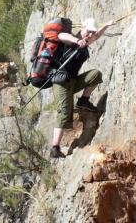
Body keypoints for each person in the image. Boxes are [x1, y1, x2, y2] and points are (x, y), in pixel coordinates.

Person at [49, 17, 117, 158]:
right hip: (61, 82)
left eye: (92, 32)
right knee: (64, 112)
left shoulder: (87, 41)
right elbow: (61, 35)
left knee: (95, 75)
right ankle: (55, 148)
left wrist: (106, 24)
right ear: (82, 28)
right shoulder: (70, 38)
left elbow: (97, 35)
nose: (90, 35)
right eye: (88, 31)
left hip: (73, 81)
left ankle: (83, 100)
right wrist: (77, 41)